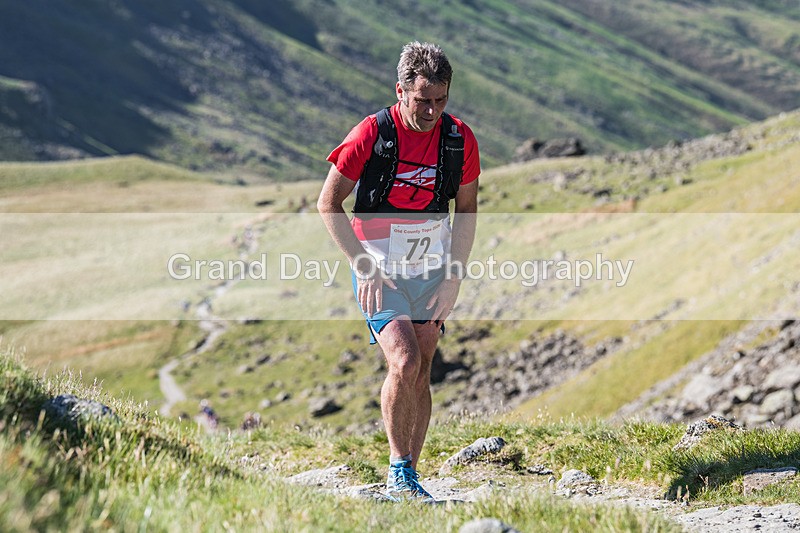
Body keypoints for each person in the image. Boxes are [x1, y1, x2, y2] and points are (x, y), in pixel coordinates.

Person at [317, 41, 480, 501]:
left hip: (432, 264)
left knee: (424, 363)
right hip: (379, 265)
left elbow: (466, 209)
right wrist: (362, 263)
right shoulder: (371, 133)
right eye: (422, 100)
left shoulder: (459, 139)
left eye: (441, 100)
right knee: (403, 359)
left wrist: (454, 276)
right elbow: (328, 203)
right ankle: (397, 471)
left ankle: (411, 474)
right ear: (401, 91)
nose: (432, 111)